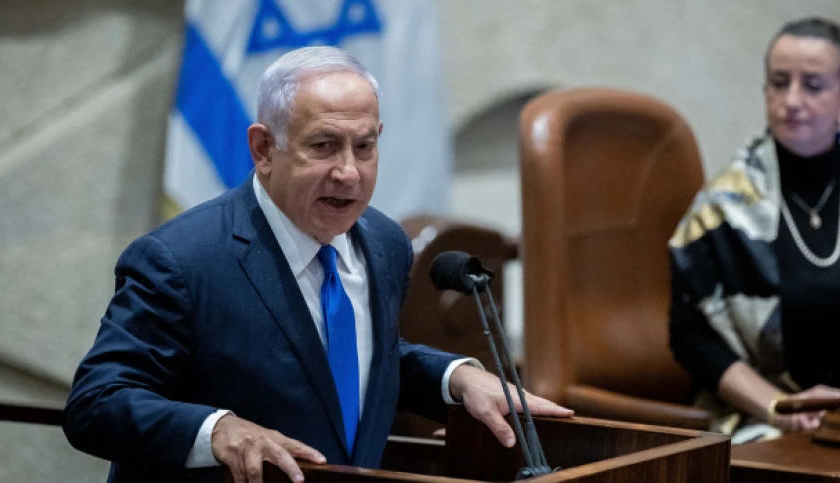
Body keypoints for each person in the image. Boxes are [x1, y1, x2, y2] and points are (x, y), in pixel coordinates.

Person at [63, 47, 572, 483]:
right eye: (324, 146)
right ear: (264, 148)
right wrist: (217, 429)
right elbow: (96, 403)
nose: (349, 173)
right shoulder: (181, 259)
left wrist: (454, 376)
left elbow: (349, 363)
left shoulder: (384, 241)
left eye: (365, 146)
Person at [668, 17, 840, 440]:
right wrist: (780, 407)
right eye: (779, 82)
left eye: (812, 85)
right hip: (752, 422)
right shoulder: (721, 206)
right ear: (765, 91)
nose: (791, 99)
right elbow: (690, 335)